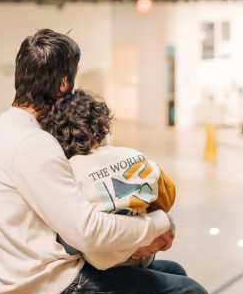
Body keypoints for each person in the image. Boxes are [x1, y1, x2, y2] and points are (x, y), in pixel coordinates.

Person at [0, 28, 209, 294]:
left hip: (24, 284)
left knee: (173, 272)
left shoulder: (6, 127)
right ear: (63, 83)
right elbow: (86, 231)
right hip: (48, 293)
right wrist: (156, 226)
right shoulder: (34, 145)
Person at [38, 88, 176, 268]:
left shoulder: (67, 172)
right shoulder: (132, 156)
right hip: (138, 254)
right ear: (103, 127)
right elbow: (167, 198)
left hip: (98, 262)